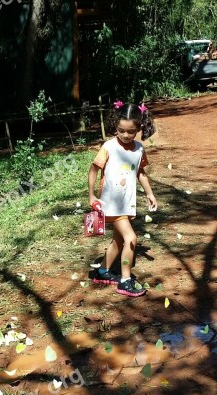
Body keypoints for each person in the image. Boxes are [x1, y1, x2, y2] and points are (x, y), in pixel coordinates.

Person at [88, 101, 158, 297]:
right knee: (131, 238)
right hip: (110, 204)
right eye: (121, 130)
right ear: (115, 125)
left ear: (139, 128)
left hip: (127, 203)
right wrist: (91, 195)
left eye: (131, 131)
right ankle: (125, 280)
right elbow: (94, 169)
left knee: (119, 240)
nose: (126, 135)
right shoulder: (109, 147)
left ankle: (102, 272)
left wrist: (150, 194)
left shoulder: (139, 149)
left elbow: (141, 173)